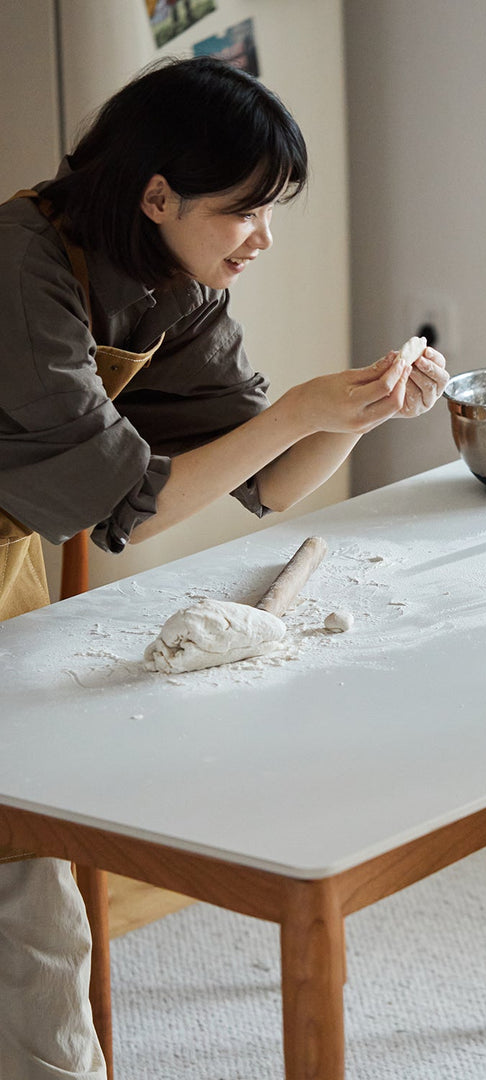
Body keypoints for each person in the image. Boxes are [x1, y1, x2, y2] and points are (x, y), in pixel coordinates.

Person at [0, 56, 447, 1078]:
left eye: (272, 209)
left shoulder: (176, 285)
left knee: (25, 884)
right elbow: (128, 508)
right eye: (245, 210)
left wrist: (358, 412)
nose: (264, 238)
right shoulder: (22, 270)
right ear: (157, 196)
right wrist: (297, 412)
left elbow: (265, 481)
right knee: (24, 887)